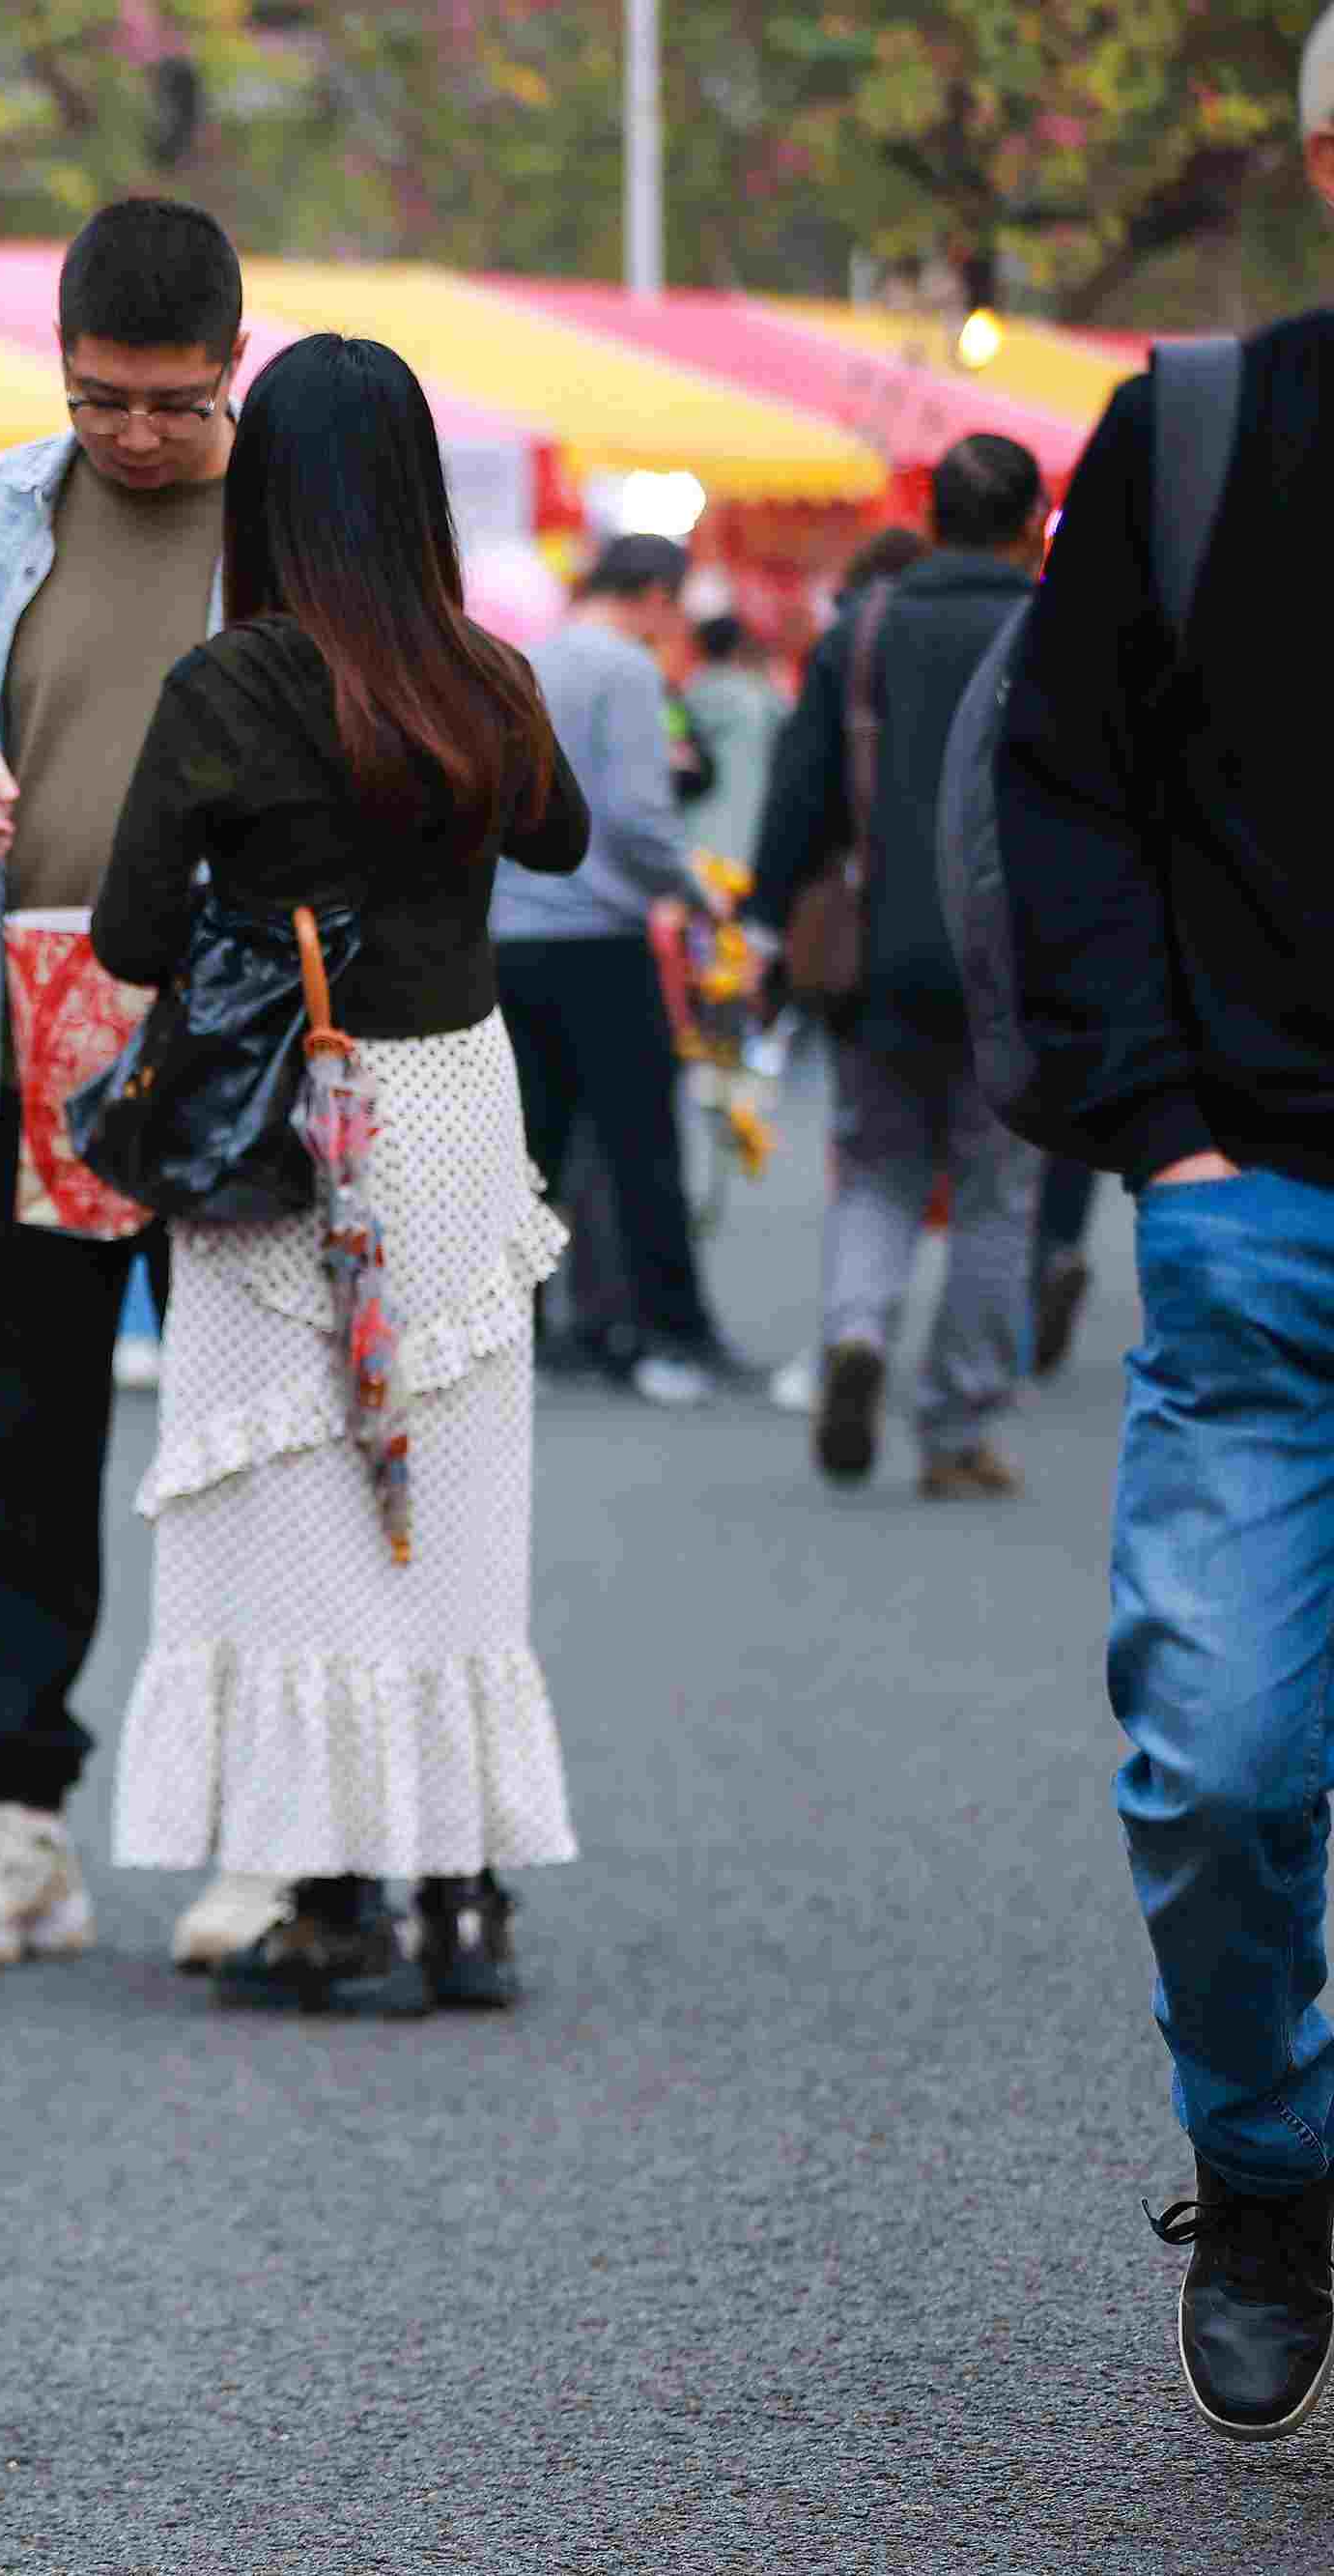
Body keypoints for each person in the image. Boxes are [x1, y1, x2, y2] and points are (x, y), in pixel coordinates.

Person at [89, 332, 589, 2011]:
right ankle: (467, 1890)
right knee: (449, 1490)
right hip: (453, 1104)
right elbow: (564, 834)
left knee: (291, 1499)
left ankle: (325, 1890)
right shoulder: (482, 675)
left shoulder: (226, 688)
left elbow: (133, 929)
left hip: (283, 1123)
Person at [1005, 8, 1334, 2442]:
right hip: (1263, 1214)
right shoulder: (1202, 433)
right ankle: (1264, 2162)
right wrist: (1160, 1134)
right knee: (1218, 1766)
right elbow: (1059, 780)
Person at [0, 195, 260, 1974]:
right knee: (13, 1434)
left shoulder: (302, 523)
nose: (140, 435)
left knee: (254, 1443)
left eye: (174, 401)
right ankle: (18, 1825)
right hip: (19, 1029)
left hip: (245, 1045)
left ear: (235, 368)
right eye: (105, 399)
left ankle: (268, 1828)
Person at [745, 435, 1049, 1500]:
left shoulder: (863, 630)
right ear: (1028, 524)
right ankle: (957, 1429)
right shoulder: (1050, 630)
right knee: (992, 1194)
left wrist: (768, 929)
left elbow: (799, 793)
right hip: (1013, 964)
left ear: (930, 518)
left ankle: (857, 1332)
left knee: (874, 1169)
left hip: (875, 959)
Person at [498, 533, 740, 1407]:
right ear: (652, 594)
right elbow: (639, 815)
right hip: (602, 936)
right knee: (643, 1145)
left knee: (531, 1151)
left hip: (511, 938)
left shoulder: (520, 660)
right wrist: (693, 890)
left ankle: (511, 1331)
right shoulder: (628, 673)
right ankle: (664, 1333)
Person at [677, 614, 783, 868]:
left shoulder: (684, 699)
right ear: (740, 648)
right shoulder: (764, 702)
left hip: (690, 835)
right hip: (748, 834)